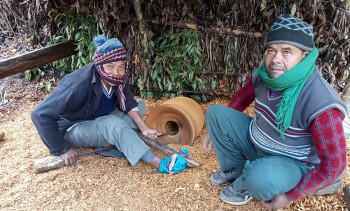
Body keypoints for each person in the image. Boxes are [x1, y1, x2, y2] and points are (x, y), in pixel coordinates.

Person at [203, 14, 347, 209]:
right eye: (271, 50)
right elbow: (244, 95)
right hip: (258, 141)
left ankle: (246, 183)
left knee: (260, 180)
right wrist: (216, 130)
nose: (275, 59)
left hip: (293, 161)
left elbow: (334, 166)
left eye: (287, 51)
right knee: (215, 114)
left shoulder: (322, 103)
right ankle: (236, 169)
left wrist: (292, 195)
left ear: (304, 55)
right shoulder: (267, 74)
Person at [31, 34, 187, 174]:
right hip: (74, 127)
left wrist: (144, 128)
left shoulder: (120, 77)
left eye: (121, 66)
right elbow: (39, 114)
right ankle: (159, 163)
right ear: (99, 66)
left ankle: (115, 142)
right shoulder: (78, 84)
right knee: (112, 124)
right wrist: (61, 149)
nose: (117, 72)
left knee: (139, 105)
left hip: (99, 116)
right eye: (110, 67)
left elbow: (128, 101)